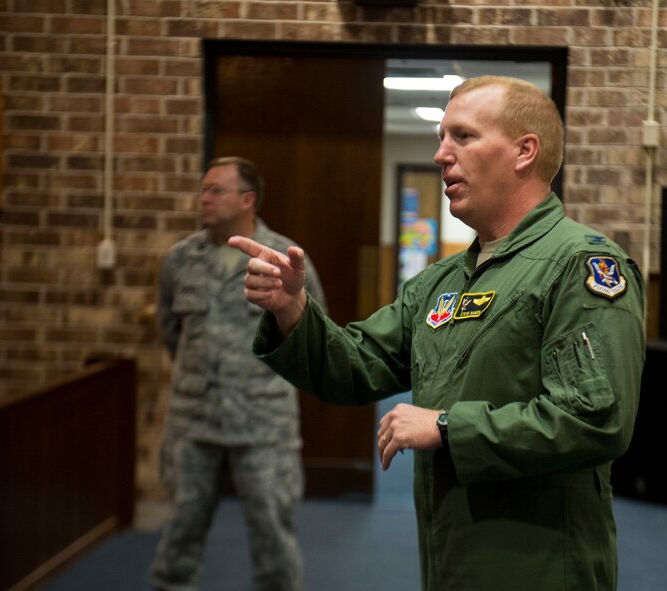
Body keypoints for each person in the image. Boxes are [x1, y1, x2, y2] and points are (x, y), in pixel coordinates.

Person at [230, 76, 645, 591]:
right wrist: (294, 310)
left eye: (462, 137)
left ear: (524, 152)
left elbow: (594, 420)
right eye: (440, 137)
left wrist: (447, 427)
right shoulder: (442, 282)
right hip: (451, 552)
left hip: (537, 562)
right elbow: (356, 366)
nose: (440, 155)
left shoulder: (581, 266)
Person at [152, 156, 326, 591]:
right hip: (195, 420)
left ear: (247, 199)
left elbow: (314, 333)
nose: (204, 198)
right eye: (203, 189)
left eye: (216, 190)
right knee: (179, 538)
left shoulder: (284, 260)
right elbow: (170, 332)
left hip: (262, 423)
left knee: (273, 541)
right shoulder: (180, 260)